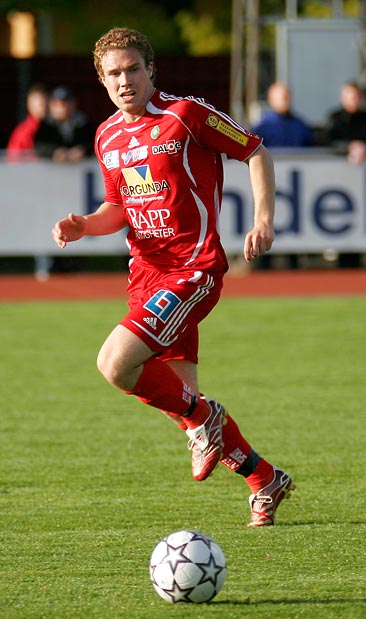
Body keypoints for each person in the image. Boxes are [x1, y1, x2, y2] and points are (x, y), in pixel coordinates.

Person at [51, 27, 294, 527]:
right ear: (101, 80)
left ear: (150, 70)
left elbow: (255, 151)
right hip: (145, 275)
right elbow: (117, 206)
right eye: (113, 74)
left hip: (192, 270)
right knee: (181, 406)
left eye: (132, 69)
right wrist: (84, 226)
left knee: (116, 364)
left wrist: (263, 219)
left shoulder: (186, 115)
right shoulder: (106, 135)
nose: (125, 81)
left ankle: (208, 420)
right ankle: (262, 477)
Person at [324, 82, 366, 166]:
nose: (355, 100)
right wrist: (349, 147)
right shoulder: (335, 119)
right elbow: (329, 141)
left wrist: (365, 147)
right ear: (343, 98)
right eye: (352, 98)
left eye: (357, 97)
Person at [34, 86, 96, 162]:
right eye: (56, 104)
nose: (61, 108)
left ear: (73, 104)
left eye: (65, 104)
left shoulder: (84, 122)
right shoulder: (45, 125)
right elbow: (39, 146)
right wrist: (54, 152)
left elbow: (95, 142)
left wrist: (83, 150)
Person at [252, 82, 315, 148]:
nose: (285, 101)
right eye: (283, 98)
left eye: (287, 97)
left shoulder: (300, 125)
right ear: (271, 100)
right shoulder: (263, 126)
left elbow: (310, 149)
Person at [6, 83, 48, 162]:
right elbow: (13, 160)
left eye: (46, 104)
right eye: (41, 105)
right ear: (29, 105)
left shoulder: (52, 127)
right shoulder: (23, 131)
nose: (44, 108)